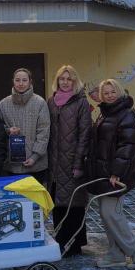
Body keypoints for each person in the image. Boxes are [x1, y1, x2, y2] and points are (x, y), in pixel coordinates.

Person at [87, 78, 135, 269]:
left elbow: (128, 146)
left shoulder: (126, 115)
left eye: (113, 92)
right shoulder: (105, 114)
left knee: (111, 214)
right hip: (103, 173)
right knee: (105, 214)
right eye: (106, 93)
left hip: (116, 176)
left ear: (119, 92)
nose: (110, 95)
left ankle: (134, 250)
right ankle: (116, 254)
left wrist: (117, 173)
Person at [47, 65, 92, 256]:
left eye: (69, 79)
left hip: (73, 161)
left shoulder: (81, 102)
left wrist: (79, 162)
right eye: (61, 79)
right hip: (54, 162)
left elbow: (85, 134)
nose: (65, 82)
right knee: (57, 202)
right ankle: (61, 240)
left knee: (74, 204)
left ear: (75, 81)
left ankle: (75, 244)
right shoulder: (51, 101)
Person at [0, 67, 50, 184]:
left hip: (36, 166)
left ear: (30, 82)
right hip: (10, 166)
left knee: (35, 202)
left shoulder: (40, 103)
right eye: (17, 80)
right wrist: (8, 130)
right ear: (13, 81)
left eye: (24, 80)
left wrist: (34, 157)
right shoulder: (2, 104)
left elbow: (43, 133)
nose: (21, 83)